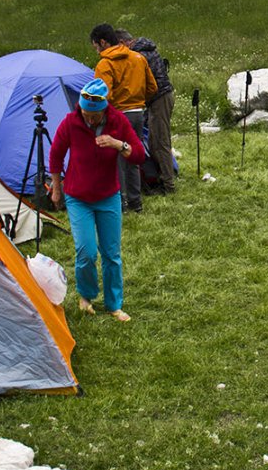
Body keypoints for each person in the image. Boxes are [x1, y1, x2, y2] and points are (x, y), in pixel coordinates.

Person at [48, 79, 146, 322]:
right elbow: (56, 154)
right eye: (85, 113)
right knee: (86, 252)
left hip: (108, 196)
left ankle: (114, 305)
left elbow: (139, 155)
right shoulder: (71, 122)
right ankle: (86, 296)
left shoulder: (117, 121)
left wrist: (117, 144)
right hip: (77, 197)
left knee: (111, 254)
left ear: (104, 109)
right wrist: (57, 188)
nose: (89, 119)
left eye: (94, 115)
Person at [91, 23, 158, 212]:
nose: (97, 51)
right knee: (133, 157)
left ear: (103, 42)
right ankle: (136, 202)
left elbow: (102, 95)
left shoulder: (105, 64)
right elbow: (152, 87)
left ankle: (120, 203)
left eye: (96, 46)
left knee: (116, 161)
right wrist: (138, 100)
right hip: (138, 113)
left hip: (118, 115)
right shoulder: (138, 58)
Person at [123, 31, 176, 194]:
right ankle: (162, 178)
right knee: (153, 142)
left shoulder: (138, 56)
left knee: (161, 143)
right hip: (158, 98)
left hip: (159, 98)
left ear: (125, 42)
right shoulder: (145, 49)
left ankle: (169, 185)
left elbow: (142, 82)